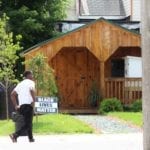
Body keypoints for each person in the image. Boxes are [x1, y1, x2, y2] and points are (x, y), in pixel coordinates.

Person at [10, 70, 36, 143]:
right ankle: (15, 135)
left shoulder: (20, 84)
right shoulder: (31, 82)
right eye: (32, 74)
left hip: (21, 107)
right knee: (28, 124)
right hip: (28, 105)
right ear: (28, 75)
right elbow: (32, 90)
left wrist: (16, 105)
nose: (32, 76)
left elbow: (12, 95)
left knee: (28, 122)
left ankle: (31, 138)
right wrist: (34, 102)